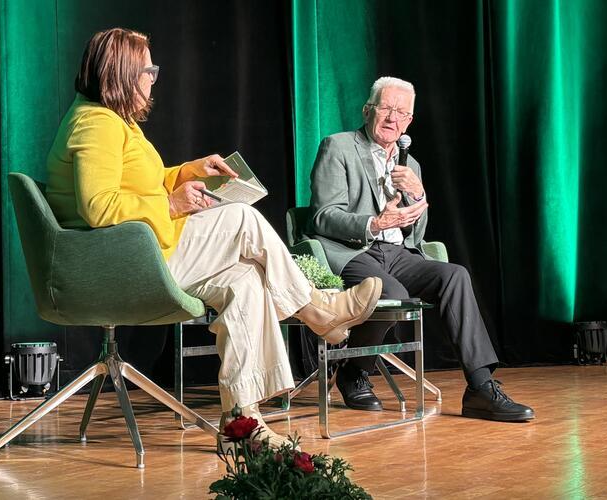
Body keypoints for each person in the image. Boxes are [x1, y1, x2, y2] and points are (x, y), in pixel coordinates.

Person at [45, 28, 383, 449]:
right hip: (118, 266)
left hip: (140, 253)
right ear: (123, 73)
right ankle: (316, 309)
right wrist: (172, 204)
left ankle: (243, 424)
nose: (153, 79)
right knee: (241, 218)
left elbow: (141, 182)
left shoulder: (115, 122)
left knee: (245, 280)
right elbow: (99, 207)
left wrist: (192, 171)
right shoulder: (96, 124)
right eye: (148, 70)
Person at [307, 76, 534, 422]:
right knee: (390, 293)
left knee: (455, 275)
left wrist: (418, 194)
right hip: (353, 252)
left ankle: (480, 386)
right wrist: (374, 223)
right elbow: (323, 216)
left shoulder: (410, 165)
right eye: (386, 108)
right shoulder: (337, 147)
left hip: (399, 254)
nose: (392, 118)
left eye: (401, 113)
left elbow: (416, 233)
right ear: (367, 110)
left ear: (409, 121)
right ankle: (355, 370)